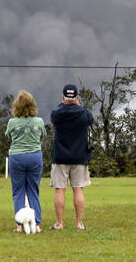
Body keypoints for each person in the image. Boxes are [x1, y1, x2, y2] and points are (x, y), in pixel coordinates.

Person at [49, 84, 94, 230]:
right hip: (79, 157)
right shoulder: (84, 114)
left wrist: (65, 104)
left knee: (59, 190)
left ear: (63, 97)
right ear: (77, 97)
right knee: (78, 189)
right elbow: (90, 119)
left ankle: (59, 223)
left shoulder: (56, 113)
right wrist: (77, 105)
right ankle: (79, 223)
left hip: (60, 157)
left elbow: (54, 118)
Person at [5, 90, 46, 233]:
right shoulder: (39, 121)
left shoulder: (12, 122)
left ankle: (20, 225)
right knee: (33, 190)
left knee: (18, 192)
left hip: (17, 157)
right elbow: (43, 135)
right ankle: (37, 224)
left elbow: (8, 136)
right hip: (35, 156)